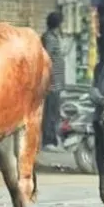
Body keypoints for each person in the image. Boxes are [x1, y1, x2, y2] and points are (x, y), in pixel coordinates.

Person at [41, 11, 67, 148]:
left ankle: (52, 139)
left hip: (56, 84)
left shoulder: (54, 37)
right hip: (51, 84)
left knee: (54, 113)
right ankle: (48, 141)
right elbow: (46, 59)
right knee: (50, 114)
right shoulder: (49, 39)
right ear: (58, 24)